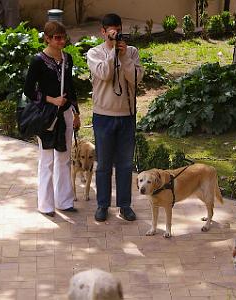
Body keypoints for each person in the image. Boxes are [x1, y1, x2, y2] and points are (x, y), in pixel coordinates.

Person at [87, 13, 144, 222]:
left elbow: (137, 78)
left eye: (117, 30)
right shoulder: (94, 53)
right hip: (103, 116)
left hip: (126, 115)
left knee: (125, 164)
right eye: (110, 31)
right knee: (103, 165)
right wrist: (112, 53)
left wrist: (124, 57)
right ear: (102, 32)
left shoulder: (131, 52)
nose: (114, 34)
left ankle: (125, 205)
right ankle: (102, 205)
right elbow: (104, 73)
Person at [24, 21, 80, 217]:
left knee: (64, 158)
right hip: (46, 116)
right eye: (57, 37)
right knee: (47, 159)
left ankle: (64, 202)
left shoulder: (68, 58)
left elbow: (71, 87)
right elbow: (29, 90)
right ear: (47, 38)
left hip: (65, 114)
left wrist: (76, 112)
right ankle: (45, 205)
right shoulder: (37, 61)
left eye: (63, 37)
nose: (61, 41)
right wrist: (51, 99)